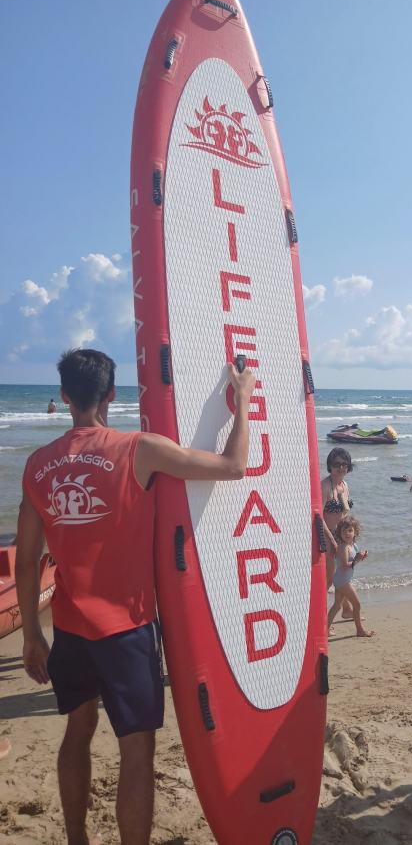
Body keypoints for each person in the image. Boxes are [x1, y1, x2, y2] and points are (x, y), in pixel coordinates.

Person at [16, 348, 255, 845]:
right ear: (112, 394)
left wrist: (33, 637)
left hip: (69, 629)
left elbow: (26, 559)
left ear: (63, 398)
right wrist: (244, 400)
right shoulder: (138, 449)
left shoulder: (37, 466)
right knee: (137, 750)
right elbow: (233, 467)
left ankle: (77, 837)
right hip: (127, 630)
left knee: (77, 732)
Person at [321, 447, 355, 619]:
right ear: (330, 466)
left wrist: (351, 535)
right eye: (336, 464)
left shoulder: (344, 485)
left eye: (344, 464)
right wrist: (331, 539)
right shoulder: (325, 485)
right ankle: (322, 619)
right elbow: (318, 516)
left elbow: (345, 514)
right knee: (328, 580)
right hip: (329, 539)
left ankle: (348, 609)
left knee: (343, 575)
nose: (341, 467)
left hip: (343, 539)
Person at [327, 515, 374, 638]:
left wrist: (361, 557)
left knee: (337, 606)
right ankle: (360, 630)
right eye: (344, 531)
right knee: (357, 604)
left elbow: (353, 561)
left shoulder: (353, 545)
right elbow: (344, 565)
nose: (347, 533)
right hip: (342, 580)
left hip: (342, 579)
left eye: (350, 531)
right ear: (339, 532)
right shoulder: (343, 547)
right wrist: (357, 559)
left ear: (355, 532)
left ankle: (324, 630)